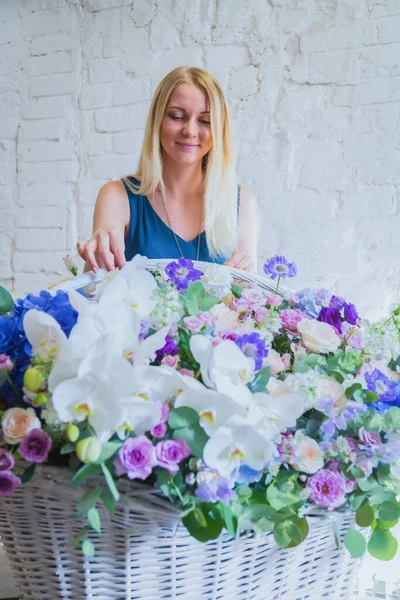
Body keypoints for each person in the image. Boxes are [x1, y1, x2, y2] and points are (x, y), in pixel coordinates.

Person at [77, 66, 258, 274]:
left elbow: (250, 296)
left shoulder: (240, 201)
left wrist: (244, 283)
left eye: (205, 121)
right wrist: (98, 256)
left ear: (219, 129)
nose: (190, 131)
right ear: (158, 121)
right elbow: (96, 288)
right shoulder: (118, 196)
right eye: (176, 116)